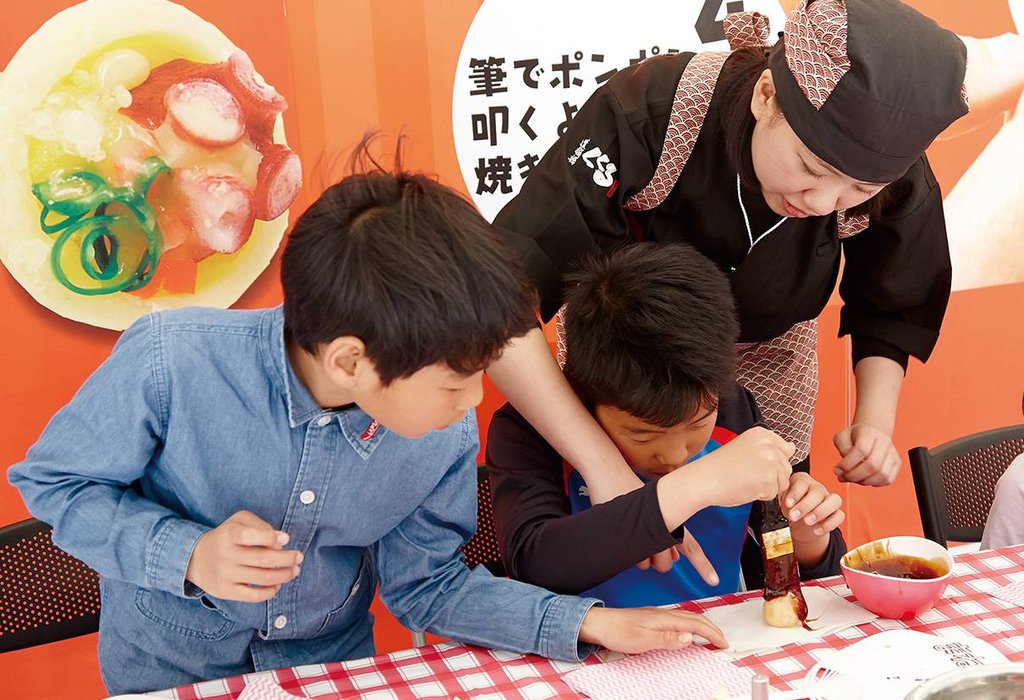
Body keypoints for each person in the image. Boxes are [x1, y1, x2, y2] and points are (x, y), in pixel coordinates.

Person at [7, 145, 726, 694]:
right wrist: (185, 554)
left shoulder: (438, 433)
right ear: (351, 360)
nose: (474, 402)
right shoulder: (171, 364)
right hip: (169, 677)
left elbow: (428, 586)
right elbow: (58, 486)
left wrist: (590, 623)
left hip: (331, 675)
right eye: (456, 380)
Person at [482, 0, 971, 574]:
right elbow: (498, 301)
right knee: (606, 549)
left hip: (772, 358)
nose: (820, 203)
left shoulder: (889, 165)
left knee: (773, 546)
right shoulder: (648, 112)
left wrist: (874, 421)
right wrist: (601, 465)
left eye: (855, 190)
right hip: (630, 368)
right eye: (811, 170)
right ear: (767, 96)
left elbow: (896, 293)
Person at [486, 243, 846, 605]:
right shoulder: (531, 430)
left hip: (718, 642)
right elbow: (533, 565)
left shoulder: (735, 411)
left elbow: (803, 569)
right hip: (580, 653)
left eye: (699, 423)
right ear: (583, 394)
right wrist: (690, 488)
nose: (674, 456)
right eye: (642, 435)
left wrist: (809, 537)